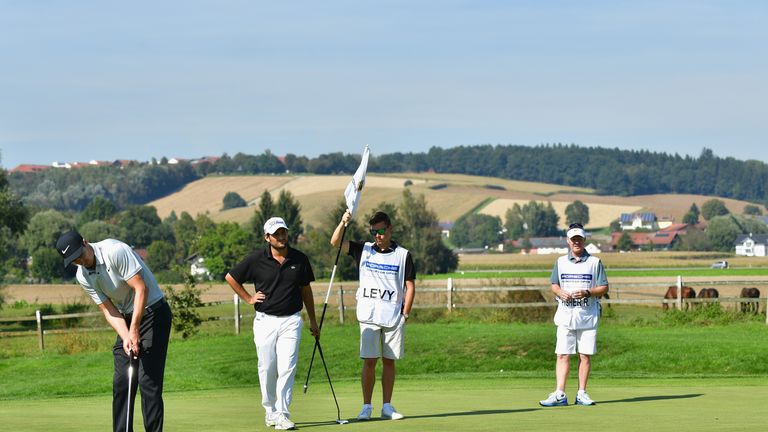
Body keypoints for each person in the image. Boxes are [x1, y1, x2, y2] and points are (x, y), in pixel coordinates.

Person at [55, 230, 172, 432]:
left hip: (154, 312)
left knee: (147, 380)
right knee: (122, 381)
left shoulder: (115, 251)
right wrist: (127, 336)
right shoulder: (82, 276)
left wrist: (134, 329)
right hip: (126, 317)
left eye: (80, 255)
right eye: (74, 260)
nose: (80, 261)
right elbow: (109, 310)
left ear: (85, 242)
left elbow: (140, 289)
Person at [225, 216, 319, 431]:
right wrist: (248, 298)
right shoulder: (256, 259)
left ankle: (283, 413)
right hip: (265, 321)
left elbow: (306, 290)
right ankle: (270, 411)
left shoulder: (300, 259)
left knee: (287, 367)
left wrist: (312, 320)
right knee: (267, 367)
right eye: (276, 234)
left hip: (292, 320)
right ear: (267, 237)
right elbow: (231, 277)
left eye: (283, 232)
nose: (281, 237)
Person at [330, 210, 415, 421]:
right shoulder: (364, 250)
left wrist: (405, 314)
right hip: (369, 316)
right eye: (374, 231)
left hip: (393, 317)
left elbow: (410, 285)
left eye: (381, 230)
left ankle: (387, 406)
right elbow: (335, 242)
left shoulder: (403, 255)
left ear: (390, 229)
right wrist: (343, 222)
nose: (378, 235)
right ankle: (366, 407)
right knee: (369, 361)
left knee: (389, 361)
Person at [539, 223, 609, 407]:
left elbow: (604, 287)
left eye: (579, 239)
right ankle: (560, 394)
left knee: (585, 355)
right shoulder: (560, 262)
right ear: (568, 241)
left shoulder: (595, 262)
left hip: (587, 315)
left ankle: (581, 393)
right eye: (573, 239)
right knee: (562, 354)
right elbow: (554, 284)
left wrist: (587, 292)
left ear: (584, 240)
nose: (576, 242)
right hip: (565, 314)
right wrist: (559, 292)